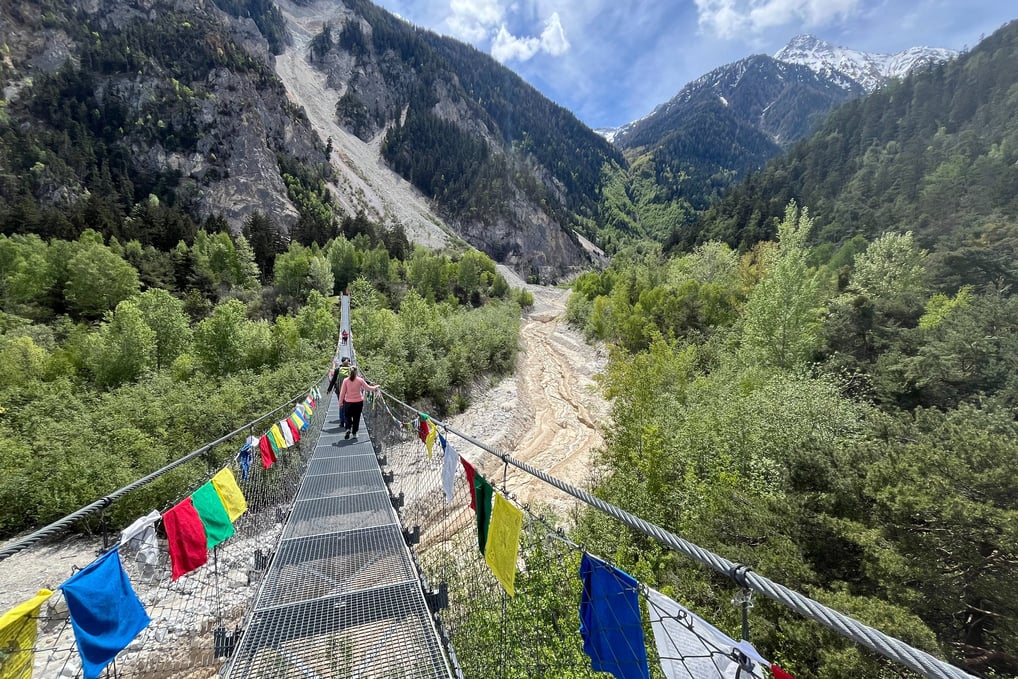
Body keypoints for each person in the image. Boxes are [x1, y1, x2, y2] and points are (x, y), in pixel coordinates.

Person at [338, 366, 379, 441]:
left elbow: (342, 393)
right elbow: (368, 388)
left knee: (347, 416)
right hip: (358, 402)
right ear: (357, 372)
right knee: (356, 418)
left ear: (349, 372)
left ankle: (348, 428)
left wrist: (340, 403)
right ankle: (354, 433)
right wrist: (376, 387)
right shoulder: (360, 380)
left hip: (348, 402)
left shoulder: (345, 380)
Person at [326, 357, 354, 428]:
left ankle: (342, 422)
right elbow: (358, 379)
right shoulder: (352, 369)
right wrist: (369, 383)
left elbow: (333, 380)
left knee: (341, 405)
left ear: (341, 362)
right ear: (349, 362)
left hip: (339, 390)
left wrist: (329, 389)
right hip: (349, 391)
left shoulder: (337, 370)